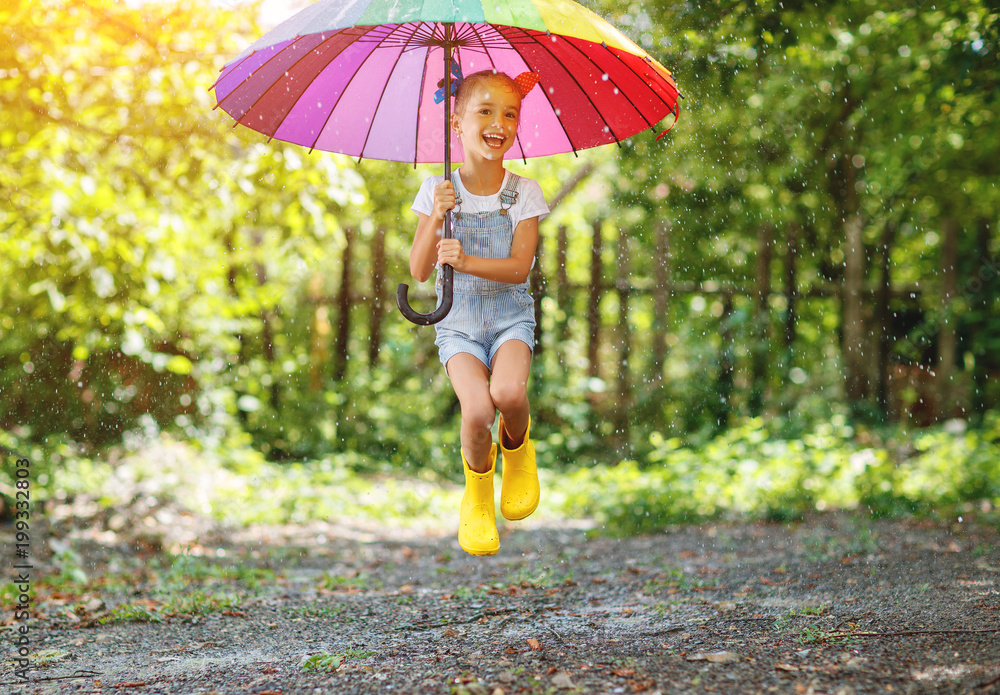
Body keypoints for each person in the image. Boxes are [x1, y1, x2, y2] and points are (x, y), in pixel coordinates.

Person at [409, 69, 549, 556]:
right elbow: (420, 269)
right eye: (484, 111)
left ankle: (518, 451)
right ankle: (478, 493)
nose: (498, 122)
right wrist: (436, 217)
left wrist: (466, 260)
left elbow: (518, 268)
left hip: (510, 317)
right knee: (477, 410)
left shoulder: (523, 193)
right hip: (460, 325)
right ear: (457, 121)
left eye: (509, 113)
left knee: (508, 393)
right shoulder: (438, 190)